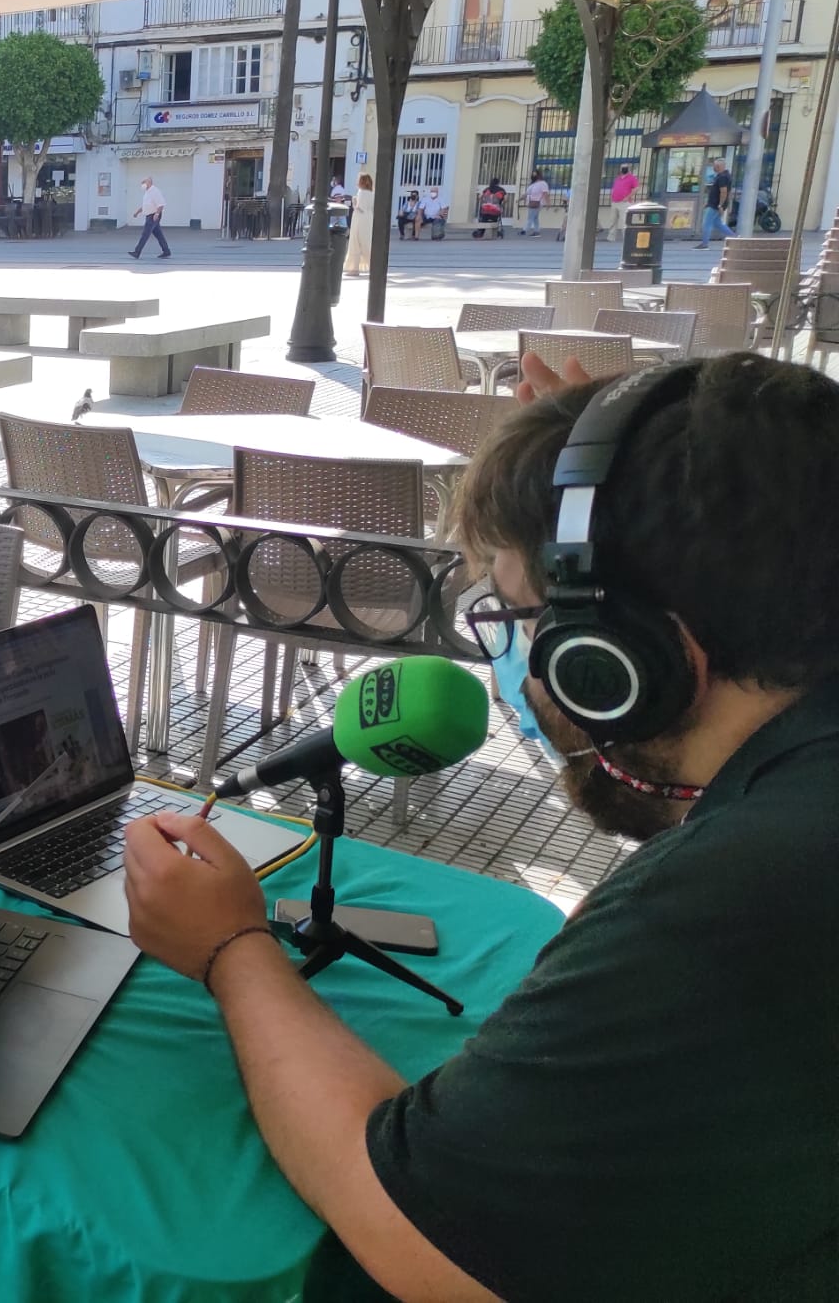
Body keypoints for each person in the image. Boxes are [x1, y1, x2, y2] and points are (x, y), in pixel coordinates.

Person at [124, 348, 839, 1303]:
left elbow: (416, 1230)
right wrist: (631, 462)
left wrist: (230, 950)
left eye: (519, 615)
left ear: (617, 661)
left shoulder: (736, 899)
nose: (512, 662)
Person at [129, 176, 172, 260]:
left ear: (149, 182)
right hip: (150, 215)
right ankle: (166, 251)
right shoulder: (147, 192)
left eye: (144, 182)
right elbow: (146, 205)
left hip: (153, 216)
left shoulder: (155, 191)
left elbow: (161, 204)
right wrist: (137, 212)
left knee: (145, 234)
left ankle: (137, 252)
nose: (142, 184)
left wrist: (157, 214)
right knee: (159, 235)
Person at [699, 157, 733, 247]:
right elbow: (718, 192)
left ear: (719, 166)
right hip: (715, 203)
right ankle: (735, 238)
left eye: (714, 166)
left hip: (716, 205)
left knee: (707, 223)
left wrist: (720, 205)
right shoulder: (722, 176)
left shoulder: (723, 177)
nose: (713, 168)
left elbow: (723, 192)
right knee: (717, 223)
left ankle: (704, 244)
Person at [345, 173, 373, 278]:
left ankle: (354, 268)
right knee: (366, 242)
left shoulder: (361, 192)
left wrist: (354, 201)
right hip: (368, 217)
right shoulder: (371, 193)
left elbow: (359, 208)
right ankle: (372, 265)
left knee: (355, 242)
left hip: (359, 218)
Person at [606, 163, 641, 238]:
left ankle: (626, 238)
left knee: (624, 221)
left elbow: (636, 188)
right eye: (622, 167)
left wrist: (628, 197)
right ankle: (611, 238)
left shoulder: (632, 178)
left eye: (625, 167)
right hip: (615, 202)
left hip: (624, 203)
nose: (623, 169)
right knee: (612, 221)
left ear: (628, 169)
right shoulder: (618, 178)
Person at [523, 168, 550, 235]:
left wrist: (548, 203)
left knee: (530, 217)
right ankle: (537, 231)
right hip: (532, 202)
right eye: (533, 174)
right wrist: (519, 199)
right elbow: (526, 193)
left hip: (538, 203)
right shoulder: (533, 184)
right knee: (535, 218)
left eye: (535, 174)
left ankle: (524, 231)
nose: (533, 175)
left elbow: (545, 194)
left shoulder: (543, 183)